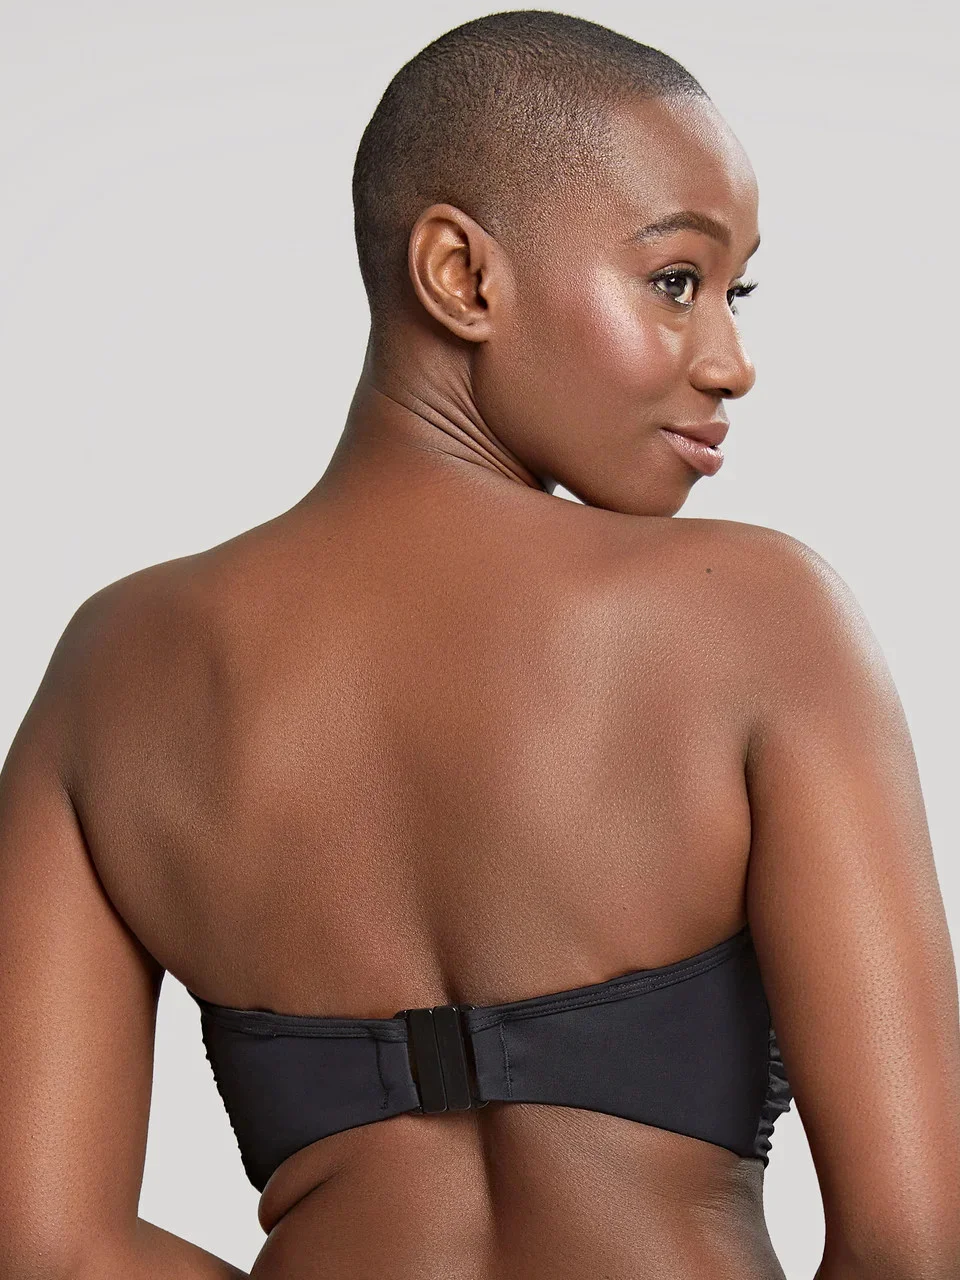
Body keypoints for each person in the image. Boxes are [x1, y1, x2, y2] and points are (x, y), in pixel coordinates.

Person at [1, 9, 958, 1279]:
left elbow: (46, 1245)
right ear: (461, 275)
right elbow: (913, 1243)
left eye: (737, 293)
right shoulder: (760, 618)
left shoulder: (114, 673)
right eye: (676, 281)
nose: (731, 363)